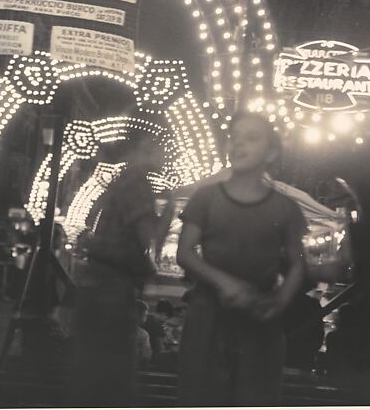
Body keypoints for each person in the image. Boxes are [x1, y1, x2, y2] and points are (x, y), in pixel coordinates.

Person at [176, 111, 307, 407]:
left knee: (254, 395)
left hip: (260, 319)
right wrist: (225, 283)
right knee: (201, 394)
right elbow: (184, 252)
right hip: (207, 314)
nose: (238, 145)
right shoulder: (205, 197)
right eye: (234, 138)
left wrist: (279, 302)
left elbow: (298, 262)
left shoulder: (286, 209)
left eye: (251, 138)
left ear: (271, 152)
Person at [67, 132, 163, 407]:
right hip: (115, 285)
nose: (160, 154)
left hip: (98, 283)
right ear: (138, 151)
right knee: (112, 371)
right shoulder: (137, 184)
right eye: (153, 147)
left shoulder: (121, 182)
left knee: (91, 368)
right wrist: (167, 216)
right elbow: (149, 236)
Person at [135, 299, 153, 369]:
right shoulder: (143, 334)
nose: (146, 318)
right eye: (145, 315)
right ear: (137, 315)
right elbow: (146, 356)